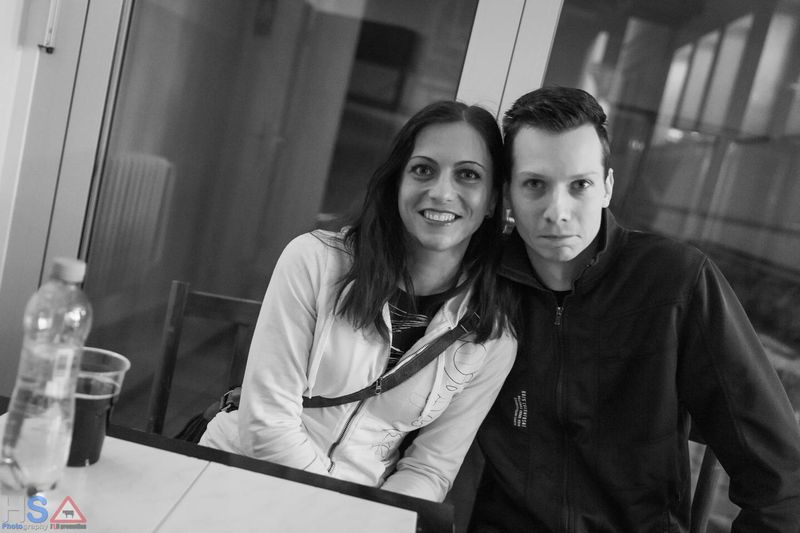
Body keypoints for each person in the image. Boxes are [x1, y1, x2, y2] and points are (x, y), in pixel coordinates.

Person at [469, 86, 800, 531]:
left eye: (580, 185)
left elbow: (782, 478)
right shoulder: (479, 283)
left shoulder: (675, 282)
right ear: (508, 192)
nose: (557, 211)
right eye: (534, 184)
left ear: (607, 187)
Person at [200, 100, 517, 502]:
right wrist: (337, 515)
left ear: (492, 201)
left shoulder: (490, 336)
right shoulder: (315, 261)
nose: (441, 192)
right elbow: (267, 424)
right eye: (423, 170)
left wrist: (375, 519)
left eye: (468, 175)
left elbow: (430, 468)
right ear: (397, 182)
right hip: (239, 477)